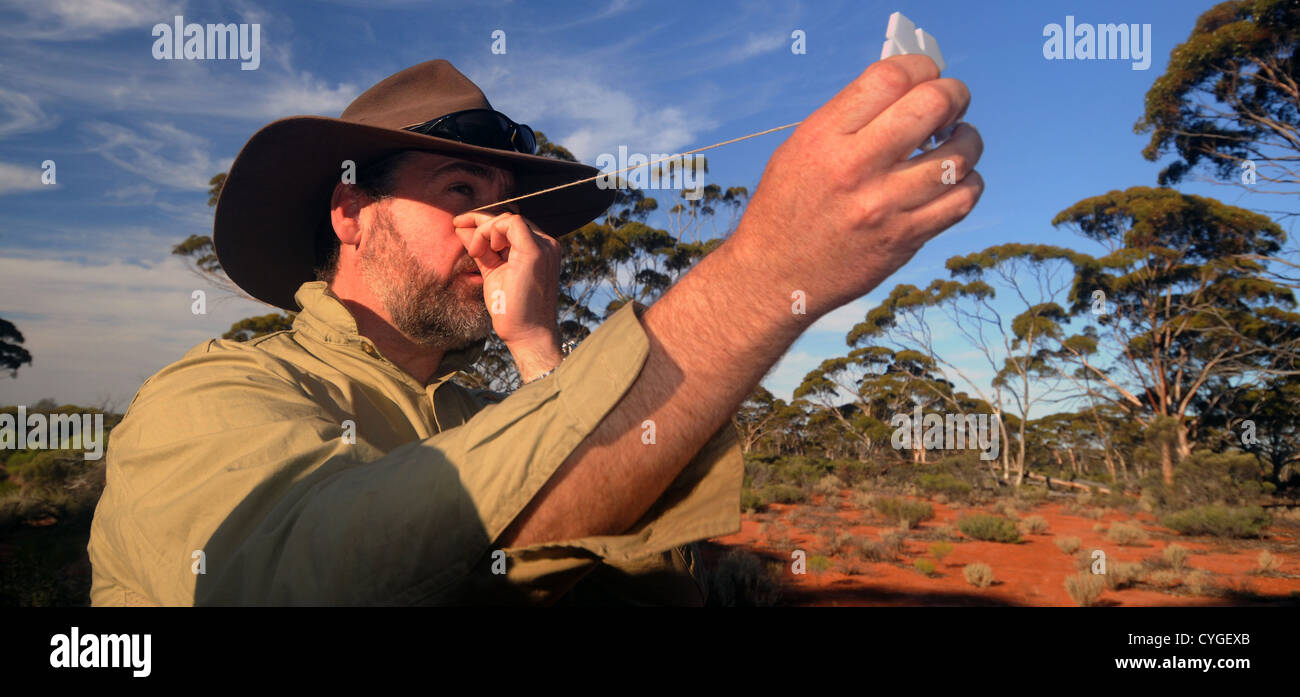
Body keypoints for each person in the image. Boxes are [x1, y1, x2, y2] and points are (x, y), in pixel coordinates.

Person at [88, 53, 983, 605]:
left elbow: (653, 590)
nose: (499, 233)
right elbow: (313, 574)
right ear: (352, 211)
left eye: (511, 204)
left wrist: (537, 351)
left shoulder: (482, 402)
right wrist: (767, 275)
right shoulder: (211, 395)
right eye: (458, 193)